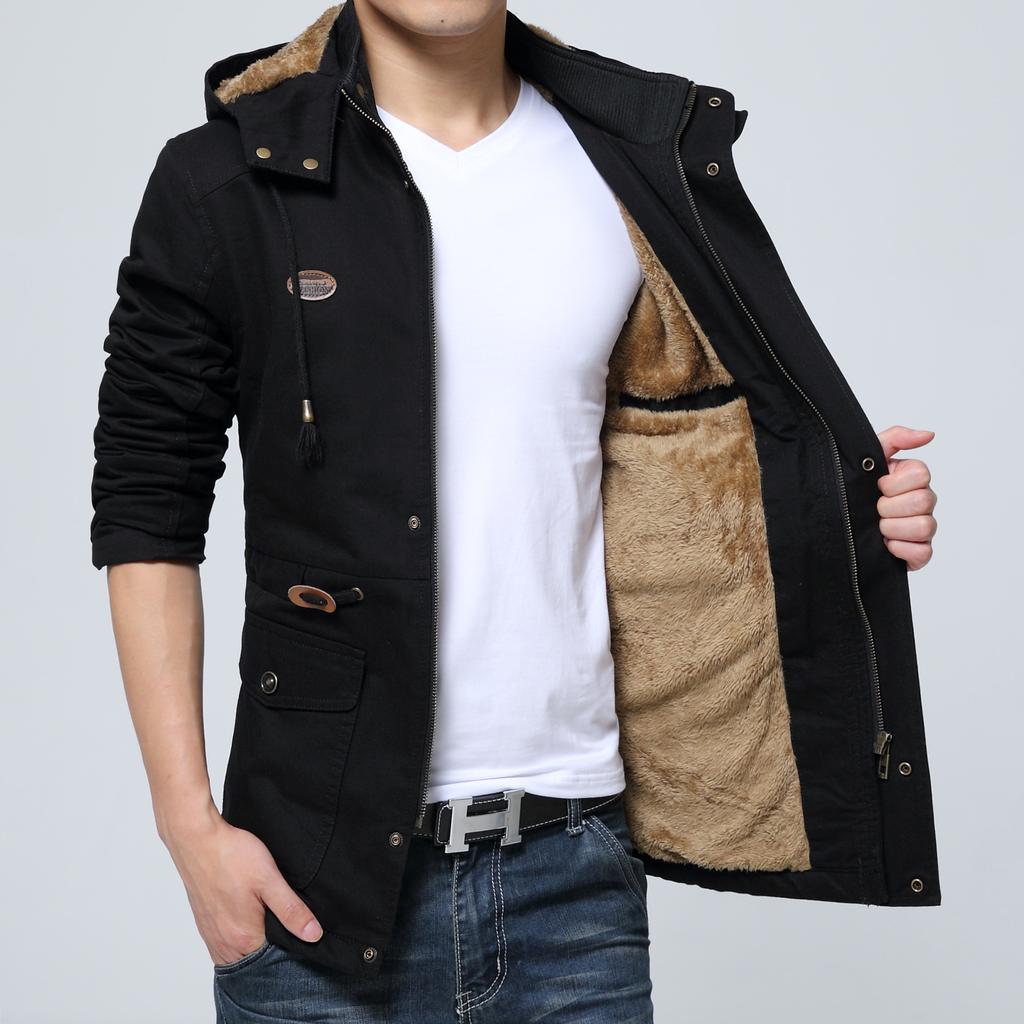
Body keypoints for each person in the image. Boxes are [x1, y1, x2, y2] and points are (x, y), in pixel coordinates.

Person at [90, 1, 941, 1020]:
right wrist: (189, 829)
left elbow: (690, 453)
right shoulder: (230, 177)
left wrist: (846, 505)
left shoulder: (632, 163)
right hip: (315, 880)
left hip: (576, 876)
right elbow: (147, 502)